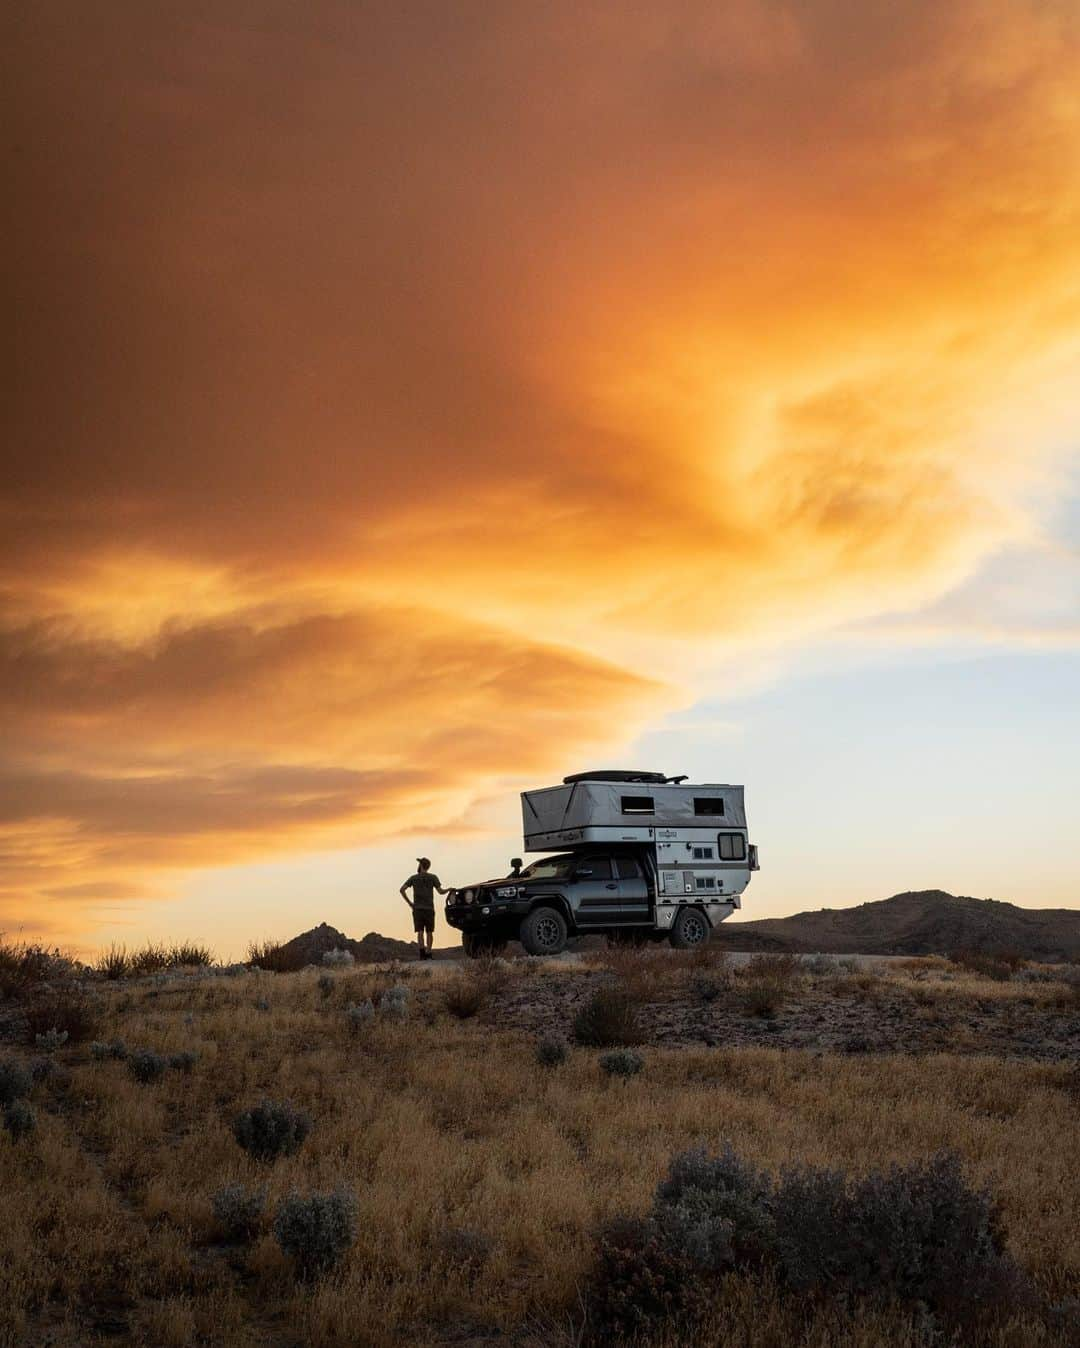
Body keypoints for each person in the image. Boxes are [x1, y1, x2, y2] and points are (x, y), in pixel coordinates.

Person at [399, 857, 445, 959]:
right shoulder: (433, 877)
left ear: (420, 865)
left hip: (417, 909)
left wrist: (410, 903)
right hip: (429, 909)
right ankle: (429, 953)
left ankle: (422, 954)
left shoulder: (413, 878)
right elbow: (441, 891)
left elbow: (402, 890)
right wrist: (449, 890)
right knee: (429, 932)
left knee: (420, 932)